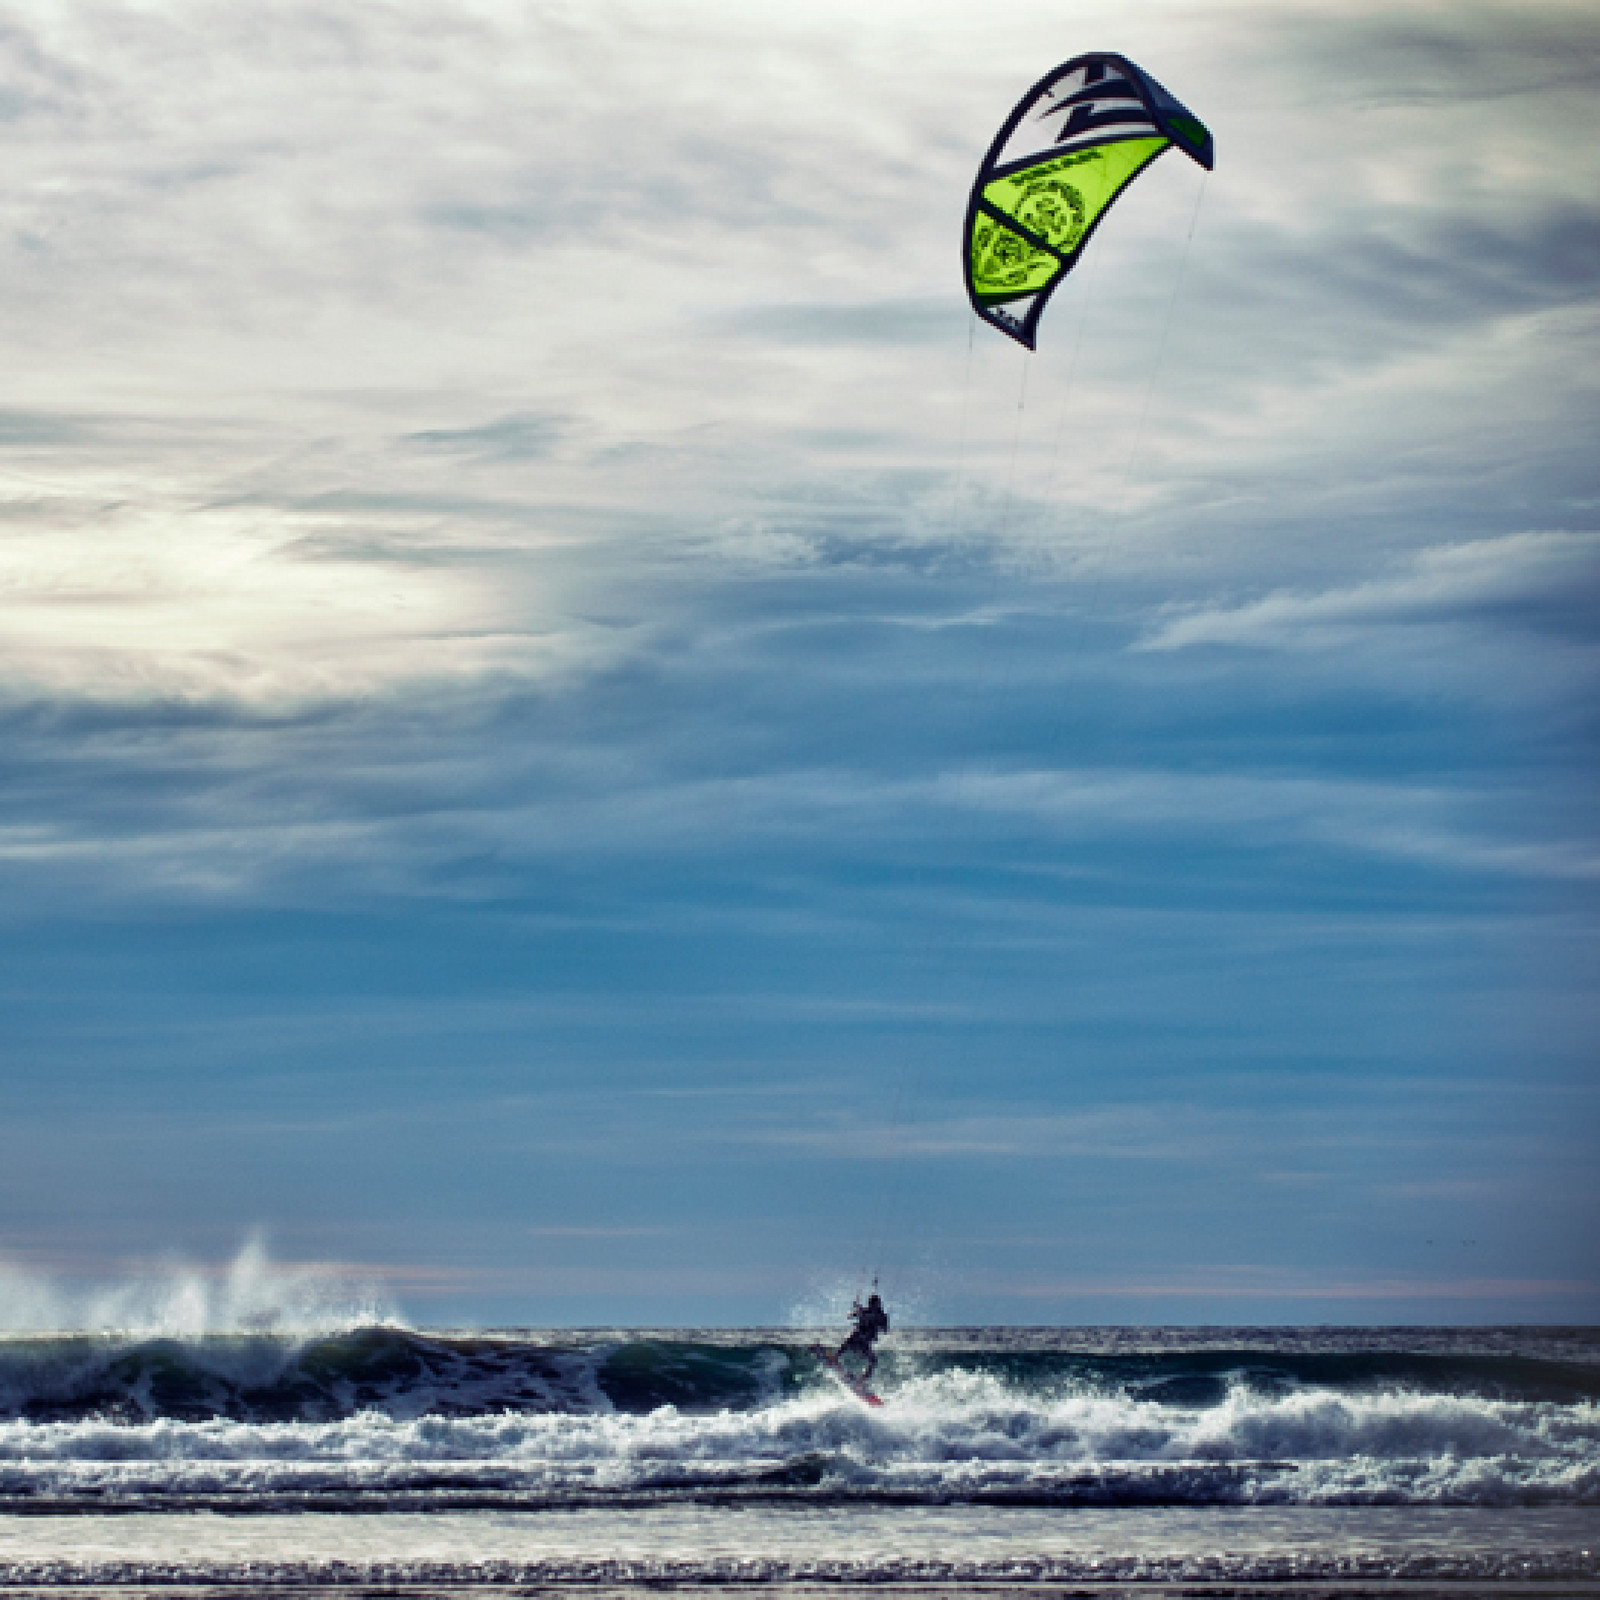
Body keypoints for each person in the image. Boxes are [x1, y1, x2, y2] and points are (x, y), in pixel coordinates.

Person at [835, 1291, 890, 1381]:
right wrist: (856, 1309)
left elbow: (885, 1330)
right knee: (850, 1341)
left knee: (873, 1360)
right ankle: (835, 1357)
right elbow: (850, 1316)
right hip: (858, 1339)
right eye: (871, 1304)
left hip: (863, 1342)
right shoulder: (868, 1312)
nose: (872, 1306)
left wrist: (857, 1310)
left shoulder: (879, 1315)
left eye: (874, 1304)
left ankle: (863, 1379)